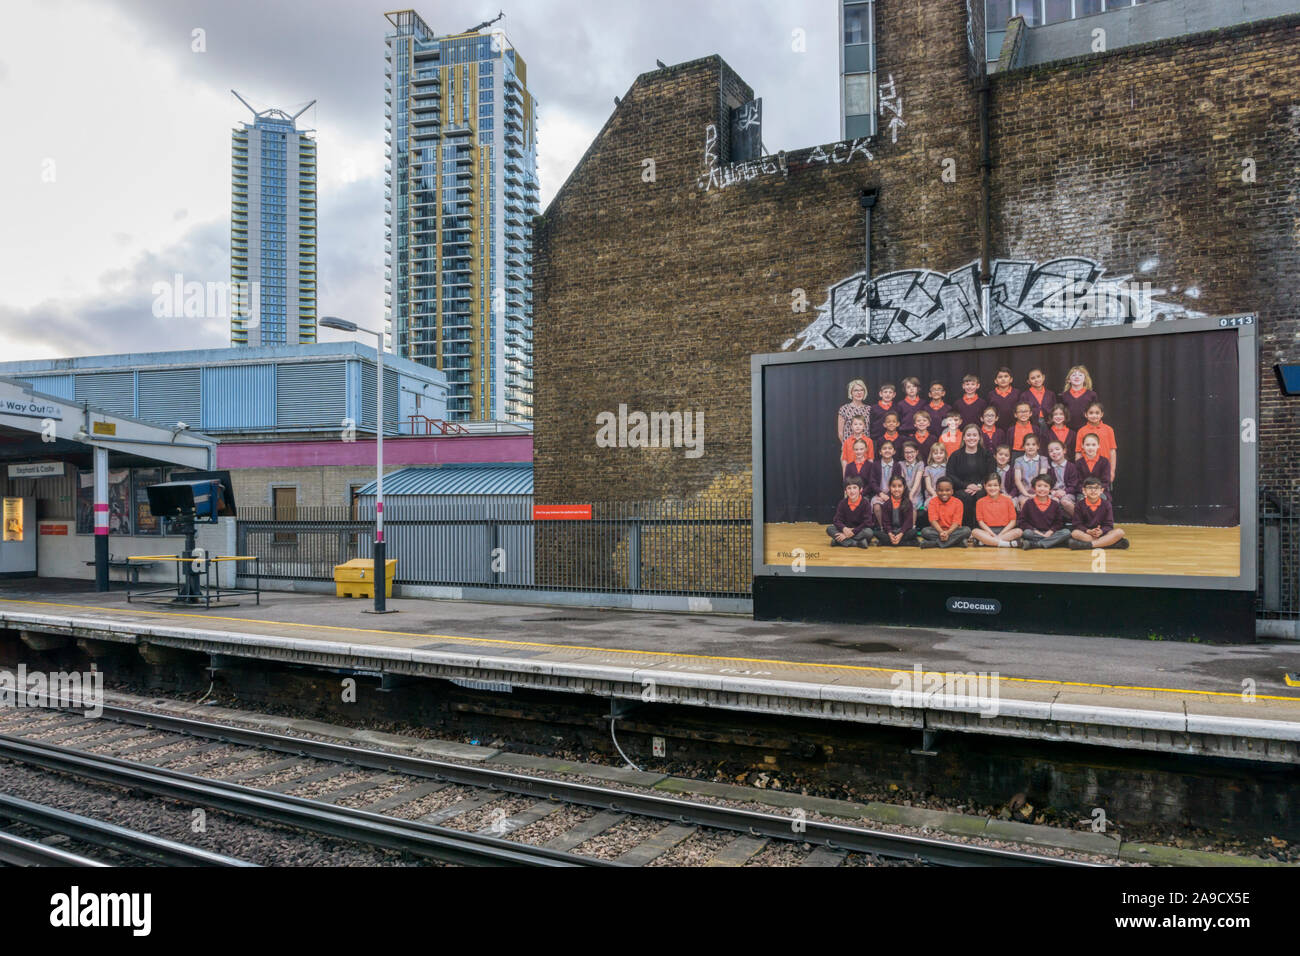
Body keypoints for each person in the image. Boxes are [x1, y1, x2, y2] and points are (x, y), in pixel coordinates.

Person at [946, 424, 995, 526]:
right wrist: (966, 486)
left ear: (979, 437)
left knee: (981, 495)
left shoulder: (987, 455)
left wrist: (980, 486)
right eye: (968, 435)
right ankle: (967, 530)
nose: (971, 438)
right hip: (961, 489)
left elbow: (991, 474)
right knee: (965, 496)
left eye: (974, 435)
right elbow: (950, 475)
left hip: (982, 488)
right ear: (963, 437)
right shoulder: (955, 455)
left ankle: (982, 530)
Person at [1069, 477, 1129, 549]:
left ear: (1101, 490)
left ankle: (1088, 545)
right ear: (1084, 491)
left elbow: (1109, 525)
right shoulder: (1079, 505)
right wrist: (1088, 531)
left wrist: (1101, 531)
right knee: (1075, 533)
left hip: (1102, 534)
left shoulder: (1107, 504)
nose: (1093, 490)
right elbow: (1077, 524)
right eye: (1089, 488)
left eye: (1096, 488)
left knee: (1120, 532)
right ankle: (1110, 543)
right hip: (1087, 534)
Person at [1019, 474, 1071, 549]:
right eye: (1039, 486)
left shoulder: (1055, 504)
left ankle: (1036, 544)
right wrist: (1035, 531)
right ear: (1034, 488)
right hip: (1035, 533)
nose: (1042, 489)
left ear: (1050, 489)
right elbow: (1022, 521)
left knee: (1066, 532)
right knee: (1026, 533)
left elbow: (1059, 522)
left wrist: (1050, 532)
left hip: (1050, 533)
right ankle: (1053, 542)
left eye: (1046, 486)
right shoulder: (1028, 503)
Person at [919, 475, 971, 549]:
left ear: (952, 491)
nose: (944, 493)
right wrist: (941, 532)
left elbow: (957, 522)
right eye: (940, 490)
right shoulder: (933, 502)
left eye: (947, 490)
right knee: (925, 532)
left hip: (953, 531)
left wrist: (947, 532)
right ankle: (956, 543)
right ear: (936, 491)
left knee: (967, 530)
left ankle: (935, 544)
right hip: (937, 531)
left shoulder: (958, 502)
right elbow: (933, 521)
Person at [972, 473, 1022, 548]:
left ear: (1000, 486)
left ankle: (987, 542)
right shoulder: (980, 502)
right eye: (989, 485)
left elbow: (1013, 521)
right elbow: (980, 522)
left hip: (1005, 530)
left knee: (1019, 531)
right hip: (988, 531)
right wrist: (991, 533)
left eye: (995, 485)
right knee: (974, 532)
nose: (992, 488)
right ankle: (1006, 544)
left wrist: (1001, 534)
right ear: (985, 486)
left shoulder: (1008, 500)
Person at [1075, 401, 1118, 485]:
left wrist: (1112, 471)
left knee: (1103, 493)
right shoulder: (1081, 431)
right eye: (1091, 413)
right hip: (1086, 470)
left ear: (1102, 414)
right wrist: (1077, 470)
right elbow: (1078, 452)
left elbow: (1112, 451)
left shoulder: (1108, 429)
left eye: (1097, 413)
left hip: (1104, 469)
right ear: (1085, 414)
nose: (1094, 415)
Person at [872, 475, 918, 546]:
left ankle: (889, 543)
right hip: (891, 531)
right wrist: (890, 534)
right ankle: (907, 543)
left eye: (899, 486)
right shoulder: (886, 504)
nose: (896, 489)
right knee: (876, 533)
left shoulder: (908, 502)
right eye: (894, 486)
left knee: (913, 532)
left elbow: (908, 522)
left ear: (904, 487)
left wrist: (900, 534)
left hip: (903, 531)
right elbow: (886, 522)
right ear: (889, 487)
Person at [827, 476, 874, 548]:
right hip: (846, 529)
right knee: (829, 529)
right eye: (849, 488)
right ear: (845, 491)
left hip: (858, 530)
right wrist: (844, 529)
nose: (852, 491)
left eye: (854, 487)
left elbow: (867, 522)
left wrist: (851, 532)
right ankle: (857, 543)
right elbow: (837, 520)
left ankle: (838, 541)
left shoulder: (865, 503)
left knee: (869, 532)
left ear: (860, 489)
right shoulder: (842, 503)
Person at [1012, 434, 1049, 509]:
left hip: (1040, 491)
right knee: (1024, 502)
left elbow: (1041, 478)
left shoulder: (1043, 459)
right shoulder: (1019, 460)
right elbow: (1017, 480)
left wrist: (1037, 493)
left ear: (1038, 446)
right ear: (1023, 447)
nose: (1030, 447)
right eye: (1027, 444)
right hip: (1024, 492)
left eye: (1033, 444)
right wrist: (1026, 494)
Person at [1045, 439, 1080, 518]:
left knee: (1065, 501)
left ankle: (1079, 521)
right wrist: (1052, 492)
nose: (1054, 452)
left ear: (1064, 450)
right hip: (1052, 493)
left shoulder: (1071, 467)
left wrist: (1064, 491)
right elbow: (1045, 483)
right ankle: (1054, 524)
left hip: (1067, 493)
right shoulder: (1048, 468)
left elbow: (1074, 485)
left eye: (1057, 449)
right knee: (1053, 501)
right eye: (1051, 451)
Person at [1061, 365, 1099, 429]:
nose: (1077, 377)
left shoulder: (1092, 395)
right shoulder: (1063, 396)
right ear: (1068, 380)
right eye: (1073, 375)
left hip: (1087, 429)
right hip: (1069, 429)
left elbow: (1096, 413)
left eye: (1080, 375)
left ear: (1085, 379)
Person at [837, 379, 872, 444]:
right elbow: (840, 433)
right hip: (849, 447)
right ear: (851, 392)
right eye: (856, 390)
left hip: (865, 447)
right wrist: (847, 446)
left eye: (861, 390)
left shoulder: (869, 409)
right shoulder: (844, 409)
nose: (859, 393)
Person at [898, 440, 926, 510]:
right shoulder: (900, 464)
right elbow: (902, 481)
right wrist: (906, 495)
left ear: (916, 452)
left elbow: (917, 483)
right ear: (903, 453)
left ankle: (912, 521)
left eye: (912, 452)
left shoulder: (920, 464)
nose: (909, 455)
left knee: (912, 505)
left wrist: (910, 495)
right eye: (907, 452)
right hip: (904, 494)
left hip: (915, 495)